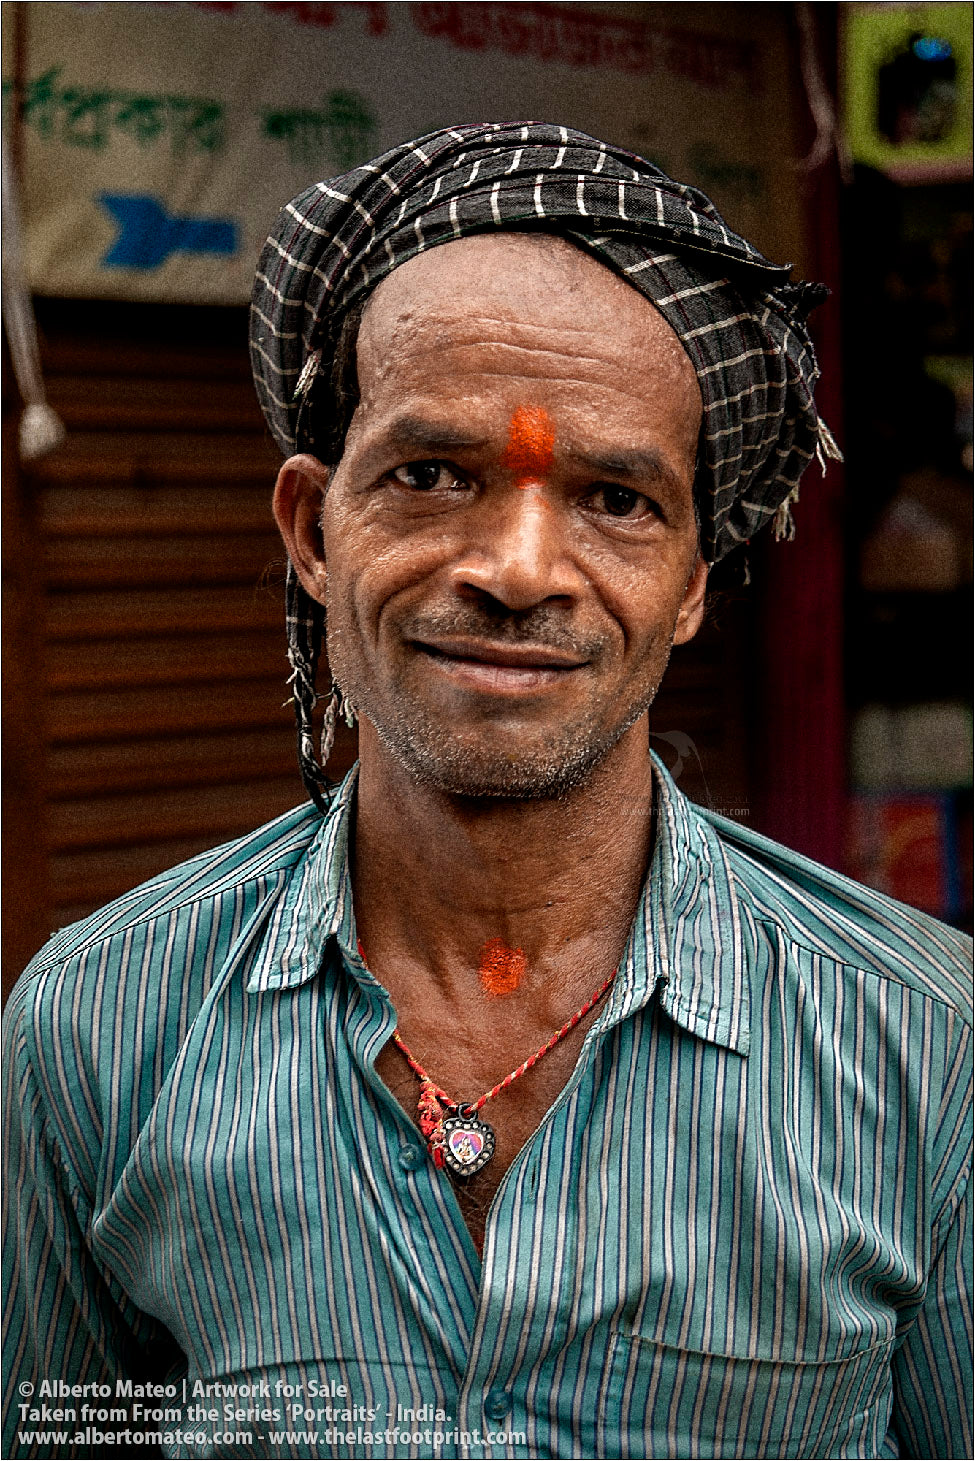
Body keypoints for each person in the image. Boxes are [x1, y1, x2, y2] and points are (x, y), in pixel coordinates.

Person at [3, 123, 971, 1461]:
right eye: (432, 475)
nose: (518, 570)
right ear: (311, 529)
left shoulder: (931, 1049)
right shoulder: (96, 1028)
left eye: (617, 498)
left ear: (695, 578)